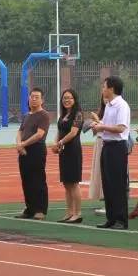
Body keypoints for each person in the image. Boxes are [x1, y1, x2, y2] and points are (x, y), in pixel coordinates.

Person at [92, 76, 131, 230]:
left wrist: (102, 127)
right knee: (107, 184)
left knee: (117, 184)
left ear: (112, 88)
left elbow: (121, 128)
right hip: (107, 145)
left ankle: (121, 220)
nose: (102, 89)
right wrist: (98, 125)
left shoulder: (122, 105)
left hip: (117, 147)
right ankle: (111, 218)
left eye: (104, 86)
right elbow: (108, 126)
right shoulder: (108, 105)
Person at [16, 88, 50, 220]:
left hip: (36, 150)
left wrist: (23, 144)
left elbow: (39, 134)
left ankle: (40, 209)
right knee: (26, 180)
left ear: (42, 100)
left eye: (37, 97)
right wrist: (19, 144)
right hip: (23, 151)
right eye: (32, 97)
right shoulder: (26, 115)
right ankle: (29, 208)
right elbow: (20, 132)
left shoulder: (43, 115)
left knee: (38, 180)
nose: (33, 99)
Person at [52, 89, 84, 223]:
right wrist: (55, 144)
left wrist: (60, 143)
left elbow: (73, 133)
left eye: (70, 98)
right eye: (64, 98)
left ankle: (78, 213)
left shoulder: (78, 115)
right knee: (66, 183)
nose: (67, 100)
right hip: (63, 151)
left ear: (75, 99)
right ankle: (69, 212)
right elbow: (59, 131)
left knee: (74, 183)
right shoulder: (63, 115)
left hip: (73, 150)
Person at [89, 98, 105, 215]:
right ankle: (105, 202)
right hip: (99, 143)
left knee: (107, 174)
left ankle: (109, 204)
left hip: (107, 143)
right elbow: (96, 132)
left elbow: (110, 129)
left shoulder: (117, 109)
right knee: (99, 174)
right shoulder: (102, 111)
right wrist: (93, 125)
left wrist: (98, 120)